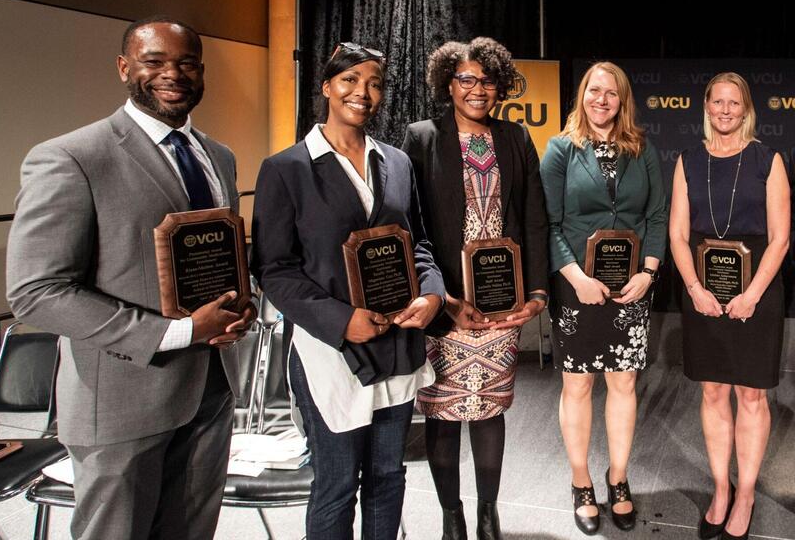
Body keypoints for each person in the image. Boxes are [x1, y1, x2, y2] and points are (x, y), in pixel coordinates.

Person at [5, 16, 255, 540]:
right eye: (154, 61)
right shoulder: (72, 156)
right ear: (124, 68)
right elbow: (36, 292)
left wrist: (238, 308)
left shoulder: (220, 157)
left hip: (211, 389)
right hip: (122, 401)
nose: (173, 74)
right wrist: (180, 332)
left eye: (187, 63)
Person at [252, 42, 445, 540]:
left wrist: (432, 295)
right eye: (350, 81)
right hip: (329, 353)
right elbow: (274, 269)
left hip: (397, 344)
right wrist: (341, 321)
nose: (363, 92)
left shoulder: (397, 162)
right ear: (326, 87)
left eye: (375, 83)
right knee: (336, 485)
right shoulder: (286, 169)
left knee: (388, 476)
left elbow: (417, 242)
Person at [403, 37, 549, 540]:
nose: (478, 89)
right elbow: (410, 222)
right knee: (443, 413)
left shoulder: (515, 138)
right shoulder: (421, 137)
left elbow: (533, 217)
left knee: (489, 409)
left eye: (487, 80)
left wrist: (536, 293)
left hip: (499, 305)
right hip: (446, 303)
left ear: (500, 85)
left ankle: (489, 515)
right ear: (449, 83)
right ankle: (451, 516)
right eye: (467, 79)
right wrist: (436, 295)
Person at [540, 62, 667, 535]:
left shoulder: (642, 149)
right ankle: (580, 483)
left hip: (631, 287)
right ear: (583, 95)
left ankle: (618, 480)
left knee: (623, 385)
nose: (602, 100)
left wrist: (649, 273)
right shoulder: (560, 149)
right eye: (594, 91)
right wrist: (576, 277)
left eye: (611, 93)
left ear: (622, 100)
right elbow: (548, 223)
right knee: (577, 387)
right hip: (576, 288)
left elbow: (657, 216)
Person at [669, 72, 789, 540]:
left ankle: (747, 494)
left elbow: (780, 240)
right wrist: (696, 289)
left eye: (732, 103)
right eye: (717, 102)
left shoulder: (767, 159)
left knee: (752, 396)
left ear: (745, 108)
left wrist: (753, 294)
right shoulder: (688, 160)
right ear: (706, 106)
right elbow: (678, 234)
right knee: (714, 392)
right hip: (702, 287)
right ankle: (722, 487)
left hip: (757, 288)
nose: (724, 110)